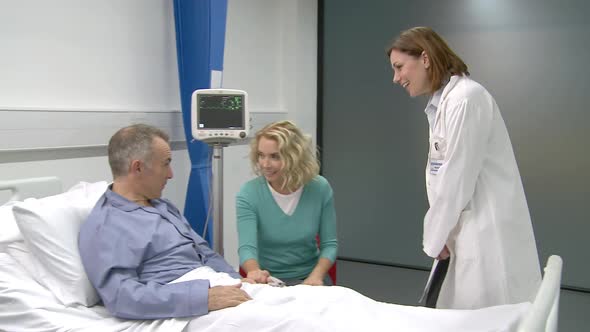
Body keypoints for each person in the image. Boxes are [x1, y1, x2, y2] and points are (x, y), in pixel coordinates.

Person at [386, 27, 541, 309]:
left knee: (489, 314)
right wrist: (439, 234)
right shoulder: (443, 103)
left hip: (485, 232)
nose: (396, 78)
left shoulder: (466, 99)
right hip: (462, 228)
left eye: (399, 67)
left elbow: (455, 182)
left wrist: (433, 239)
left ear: (425, 58)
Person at [79, 124, 252, 320]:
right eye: (165, 163)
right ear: (138, 167)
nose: (170, 174)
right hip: (185, 299)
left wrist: (240, 281)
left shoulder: (163, 206)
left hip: (221, 286)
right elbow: (121, 297)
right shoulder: (108, 224)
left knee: (291, 302)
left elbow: (204, 252)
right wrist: (202, 297)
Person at [236, 120, 338, 286]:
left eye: (275, 156)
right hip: (268, 280)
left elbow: (330, 244)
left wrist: (316, 276)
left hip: (309, 276)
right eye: (261, 155)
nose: (265, 164)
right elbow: (247, 248)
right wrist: (255, 271)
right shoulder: (248, 194)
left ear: (295, 156)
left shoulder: (320, 188)